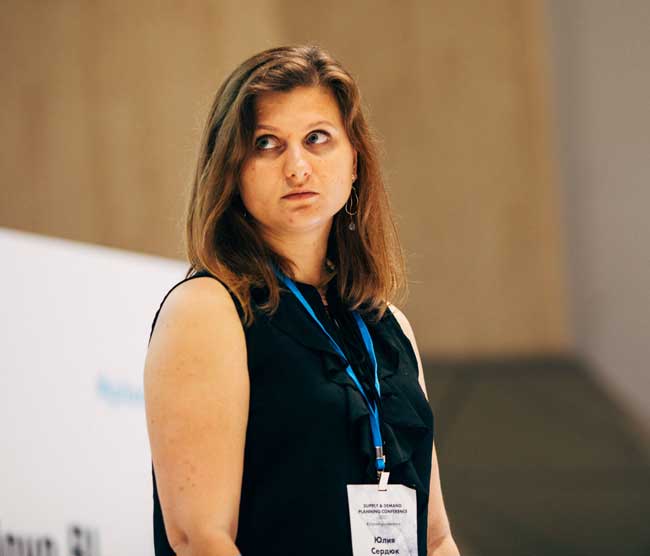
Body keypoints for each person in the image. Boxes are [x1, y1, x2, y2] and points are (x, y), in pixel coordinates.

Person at [143, 44, 460, 556]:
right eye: (267, 144)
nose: (297, 167)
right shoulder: (208, 310)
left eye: (317, 139)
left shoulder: (389, 325)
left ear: (354, 160)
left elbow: (436, 537)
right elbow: (199, 539)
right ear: (232, 170)